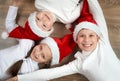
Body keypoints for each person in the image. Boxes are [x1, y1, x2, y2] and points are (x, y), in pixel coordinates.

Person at [5, 1, 120, 81]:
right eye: (81, 36)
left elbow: (97, 11)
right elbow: (48, 74)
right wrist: (19, 78)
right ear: (76, 39)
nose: (86, 40)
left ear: (97, 37)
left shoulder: (103, 40)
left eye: (91, 35)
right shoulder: (79, 63)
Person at [2, 0, 103, 41]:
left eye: (37, 18)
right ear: (50, 28)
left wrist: (14, 4)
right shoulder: (67, 18)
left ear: (35, 14)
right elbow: (83, 4)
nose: (43, 19)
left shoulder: (38, 4)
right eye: (44, 26)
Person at [0, 28, 76, 81]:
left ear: (45, 62)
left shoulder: (34, 71)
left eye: (43, 56)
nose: (37, 53)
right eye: (40, 48)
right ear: (39, 44)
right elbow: (14, 30)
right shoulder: (28, 43)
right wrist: (13, 8)